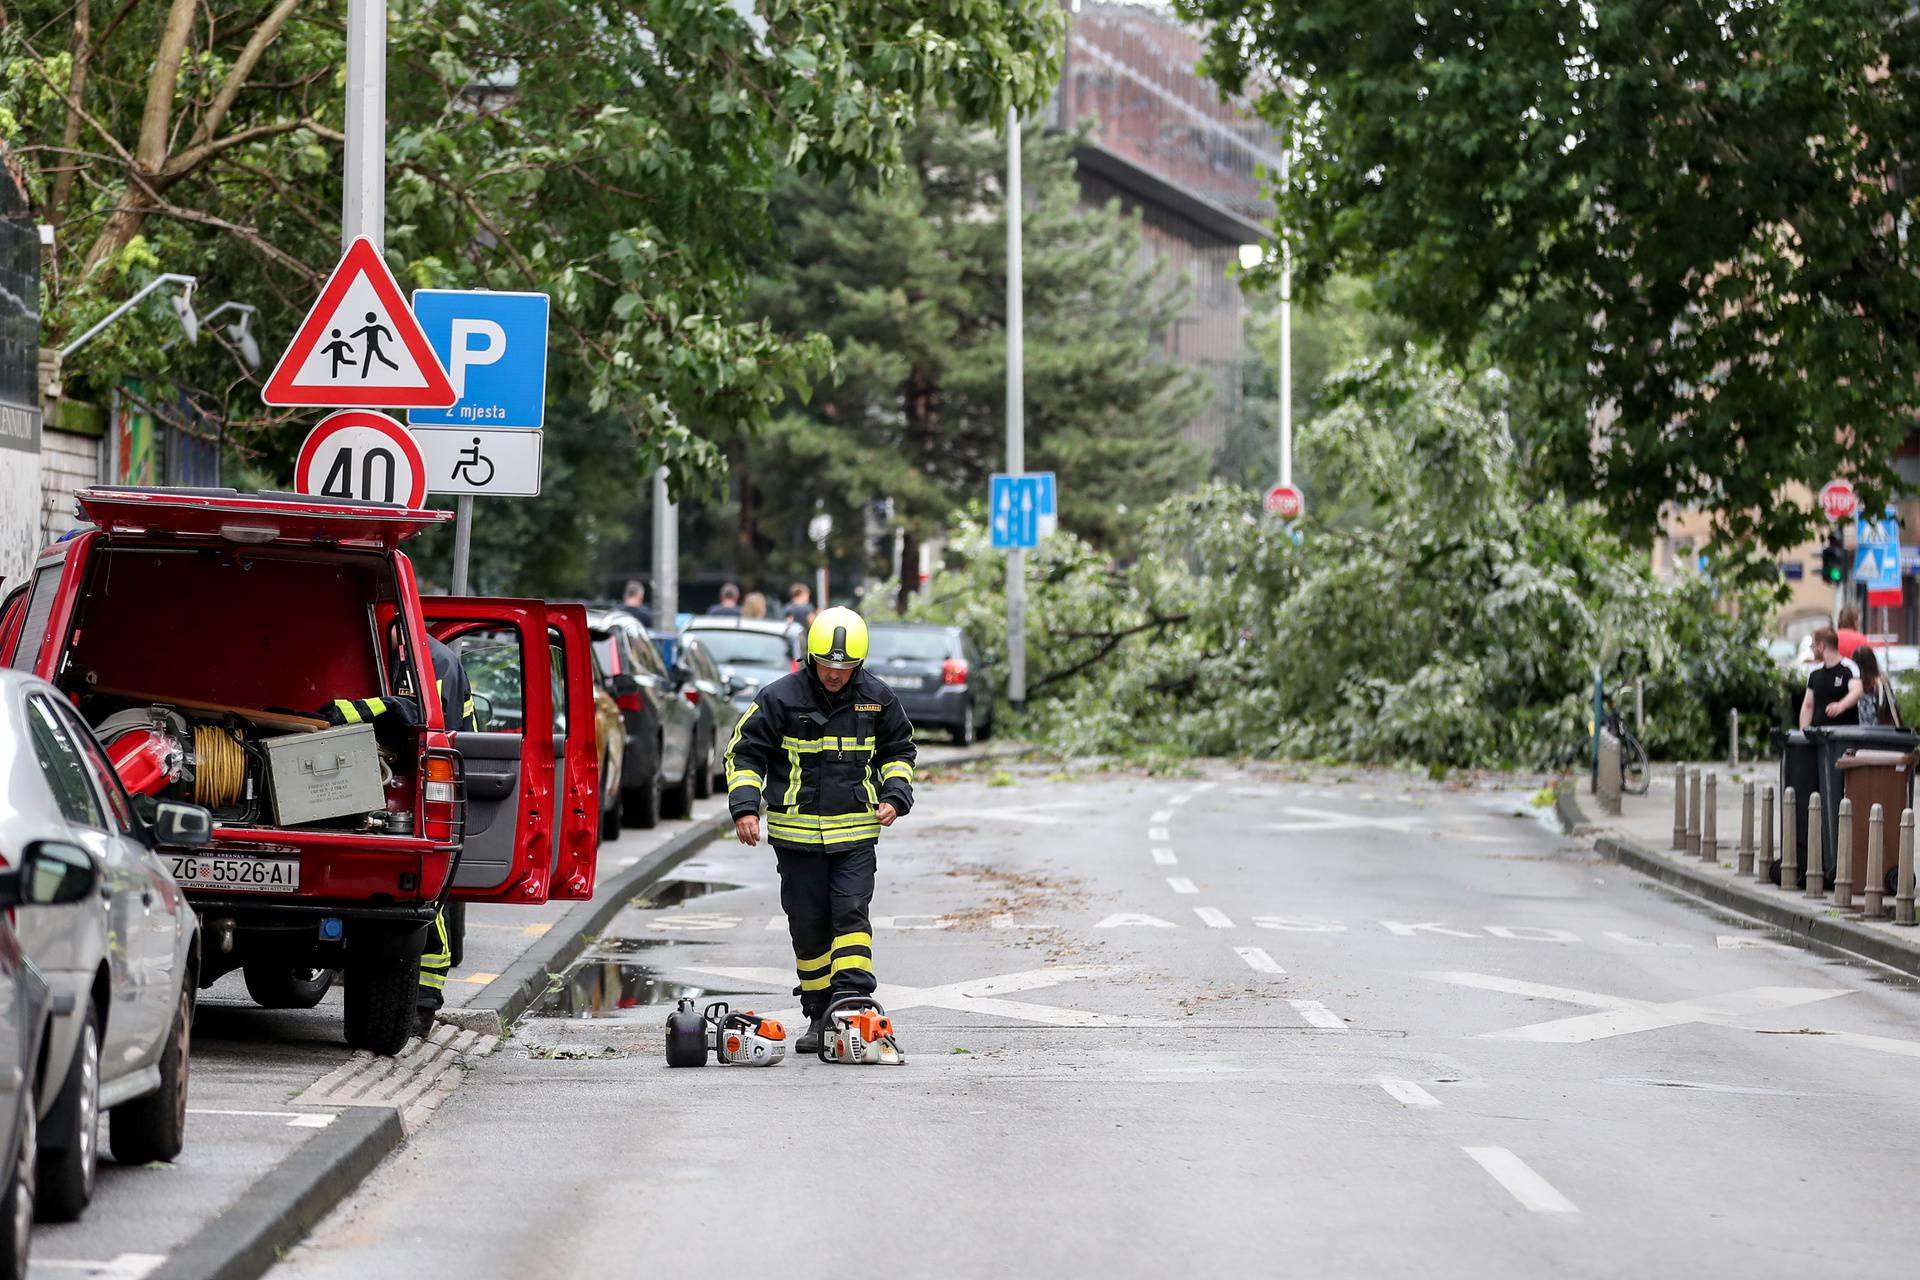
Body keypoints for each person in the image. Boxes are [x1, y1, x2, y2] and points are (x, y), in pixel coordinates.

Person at [723, 606, 916, 1054]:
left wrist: (894, 795)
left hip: (854, 835)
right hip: (796, 840)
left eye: (846, 667)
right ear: (811, 658)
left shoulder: (878, 698)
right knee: (809, 929)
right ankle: (818, 1014)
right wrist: (745, 808)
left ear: (860, 664)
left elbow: (900, 751)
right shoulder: (779, 698)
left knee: (850, 912)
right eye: (828, 665)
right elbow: (743, 753)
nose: (835, 674)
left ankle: (852, 1005)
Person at [1800, 626, 1863, 729]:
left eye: (1813, 646)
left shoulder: (1848, 667)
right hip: (1819, 736)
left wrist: (1841, 706)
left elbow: (1857, 691)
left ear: (1821, 646)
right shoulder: (1815, 672)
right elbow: (1808, 706)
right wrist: (1802, 733)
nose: (1812, 650)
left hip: (1845, 736)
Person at [1856, 646, 1902, 728]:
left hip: (1856, 732)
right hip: (1881, 732)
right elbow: (1893, 707)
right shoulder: (1881, 682)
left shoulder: (1854, 684)